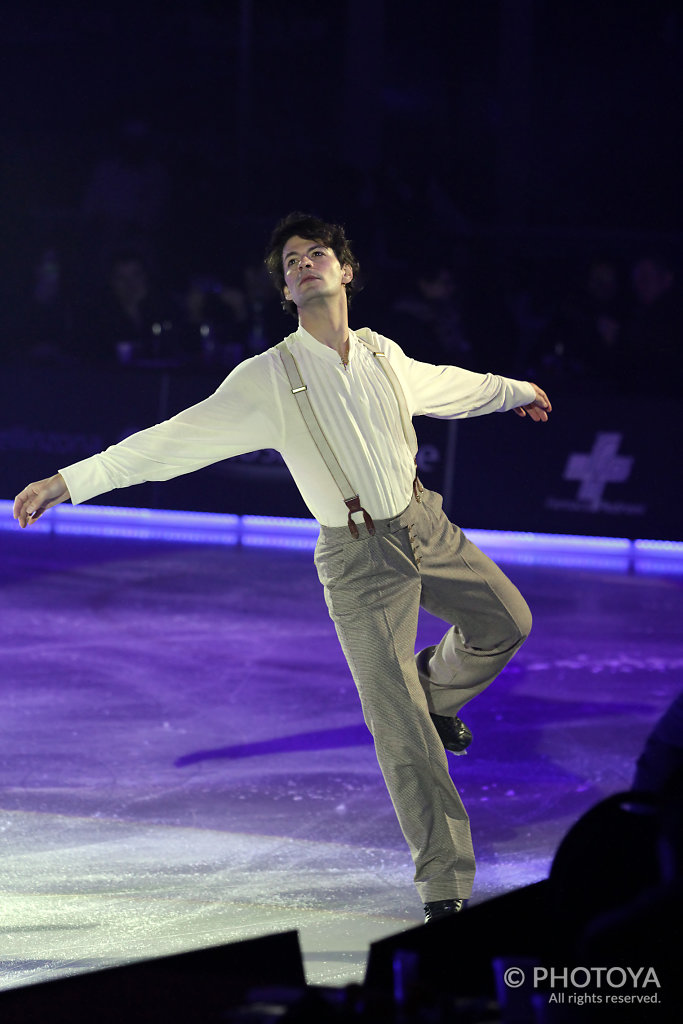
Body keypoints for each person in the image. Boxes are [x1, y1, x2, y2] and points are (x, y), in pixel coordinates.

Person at [13, 212, 551, 922]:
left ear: (346, 272)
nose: (303, 264)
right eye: (291, 262)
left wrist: (516, 389)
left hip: (424, 524)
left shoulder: (383, 353)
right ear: (286, 293)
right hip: (360, 563)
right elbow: (170, 442)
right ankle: (443, 886)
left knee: (506, 621)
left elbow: (448, 386)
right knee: (401, 731)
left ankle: (435, 693)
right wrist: (69, 480)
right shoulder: (268, 377)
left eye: (317, 253)